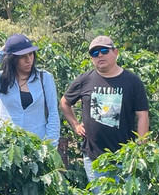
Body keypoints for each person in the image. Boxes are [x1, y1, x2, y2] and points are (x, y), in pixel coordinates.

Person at [60, 35, 149, 182]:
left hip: (126, 157)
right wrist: (75, 125)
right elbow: (64, 102)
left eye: (104, 51)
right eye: (94, 53)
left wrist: (141, 147)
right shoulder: (84, 80)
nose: (100, 55)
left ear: (115, 52)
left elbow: (142, 115)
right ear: (91, 59)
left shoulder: (132, 81)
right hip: (94, 157)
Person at [0, 33, 59, 143]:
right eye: (22, 56)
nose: (28, 60)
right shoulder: (2, 79)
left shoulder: (44, 78)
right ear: (13, 59)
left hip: (37, 145)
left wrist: (51, 144)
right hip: (7, 144)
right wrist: (4, 49)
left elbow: (53, 113)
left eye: (30, 54)